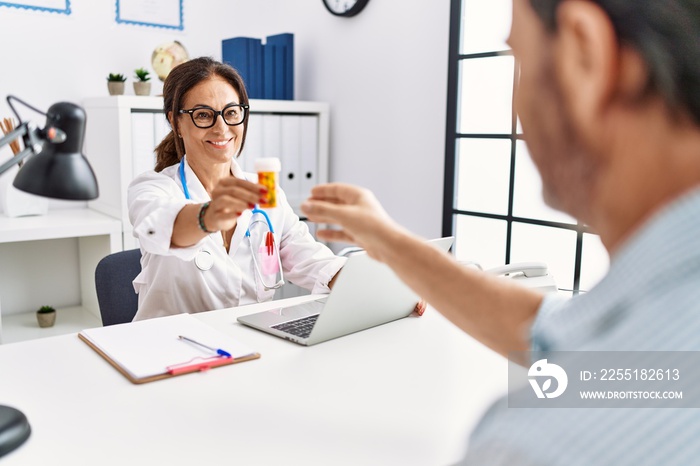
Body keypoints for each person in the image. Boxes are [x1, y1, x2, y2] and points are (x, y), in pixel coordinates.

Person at [301, 0, 700, 464]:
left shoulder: (538, 445)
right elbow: (557, 332)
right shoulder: (665, 352)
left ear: (584, 55)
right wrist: (388, 241)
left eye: (517, 59)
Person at [128, 57, 345, 321]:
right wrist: (209, 216)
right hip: (174, 348)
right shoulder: (152, 188)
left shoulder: (264, 191)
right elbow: (166, 228)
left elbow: (313, 261)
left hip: (251, 341)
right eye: (203, 115)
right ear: (175, 122)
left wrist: (374, 290)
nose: (221, 128)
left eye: (231, 112)